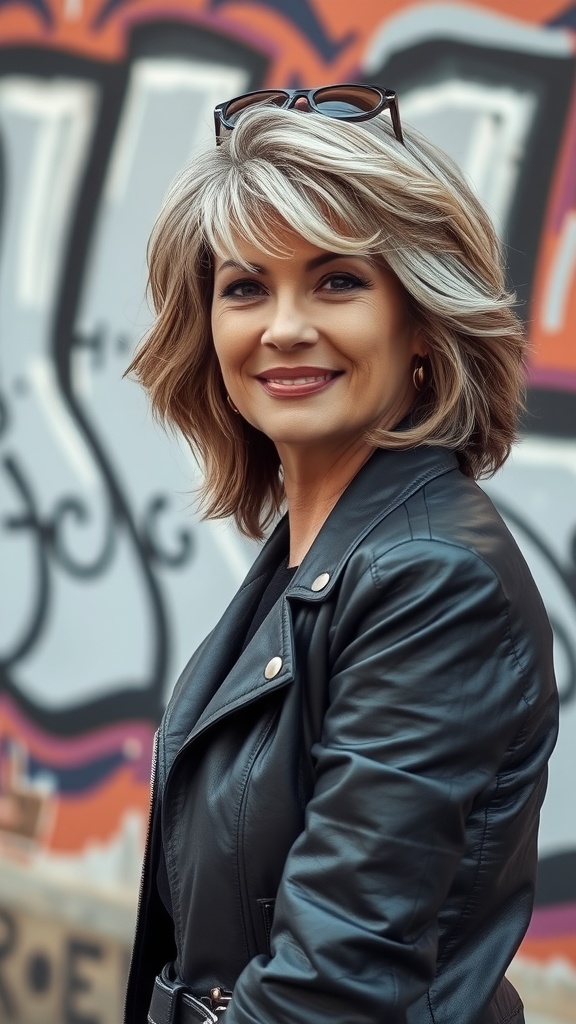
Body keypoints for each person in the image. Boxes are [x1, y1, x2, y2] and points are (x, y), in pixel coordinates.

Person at [124, 86, 559, 1024]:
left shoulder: (433, 582)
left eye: (337, 281)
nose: (282, 326)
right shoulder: (322, 550)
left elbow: (335, 986)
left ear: (421, 328)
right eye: (245, 287)